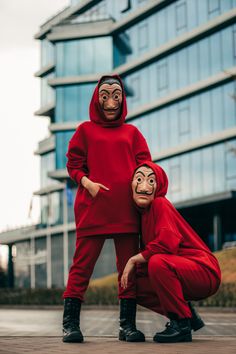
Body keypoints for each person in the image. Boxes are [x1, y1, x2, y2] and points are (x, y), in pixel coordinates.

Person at [62, 75, 152, 343]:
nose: (111, 101)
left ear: (123, 98)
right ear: (96, 98)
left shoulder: (132, 133)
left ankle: (127, 326)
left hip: (126, 211)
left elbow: (146, 167)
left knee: (128, 268)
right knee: (81, 267)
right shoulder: (84, 131)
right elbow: (73, 164)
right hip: (93, 209)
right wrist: (87, 183)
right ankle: (70, 325)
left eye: (116, 95)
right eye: (105, 95)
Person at [121, 161, 221, 343]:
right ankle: (187, 314)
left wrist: (133, 260)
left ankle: (181, 325)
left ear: (159, 186)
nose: (144, 186)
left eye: (151, 181)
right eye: (139, 179)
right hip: (181, 271)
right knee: (132, 283)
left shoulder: (160, 204)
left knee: (157, 262)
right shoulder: (143, 215)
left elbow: (167, 243)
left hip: (204, 270)